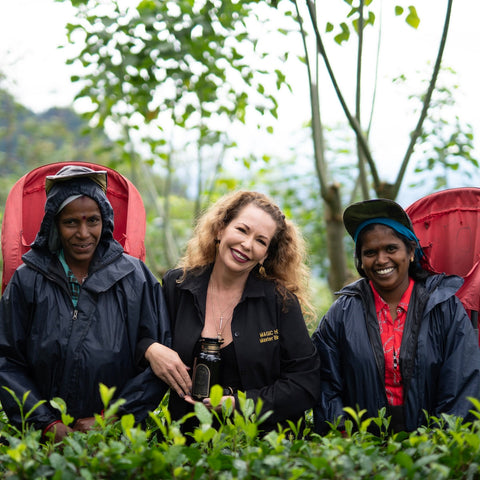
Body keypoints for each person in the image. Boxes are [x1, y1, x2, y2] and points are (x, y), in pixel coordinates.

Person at [0, 165, 170, 442]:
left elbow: (157, 360)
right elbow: (6, 359)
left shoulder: (134, 277)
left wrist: (111, 418)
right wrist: (46, 422)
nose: (83, 233)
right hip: (40, 441)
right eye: (71, 222)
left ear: (105, 221)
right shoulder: (28, 279)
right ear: (54, 224)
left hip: (116, 441)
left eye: (92, 220)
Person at [141, 190, 321, 433]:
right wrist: (150, 349)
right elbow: (137, 336)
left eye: (261, 241)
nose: (247, 245)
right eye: (242, 230)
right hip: (185, 445)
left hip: (259, 448)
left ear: (266, 255)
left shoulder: (280, 302)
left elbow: (305, 383)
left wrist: (239, 405)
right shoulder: (178, 285)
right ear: (220, 229)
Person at [312, 198, 480, 435]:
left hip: (434, 453)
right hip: (362, 451)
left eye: (391, 248)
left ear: (410, 251)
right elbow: (326, 384)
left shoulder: (443, 306)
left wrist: (436, 445)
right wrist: (347, 437)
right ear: (360, 259)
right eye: (370, 252)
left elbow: (463, 382)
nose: (381, 260)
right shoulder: (341, 313)